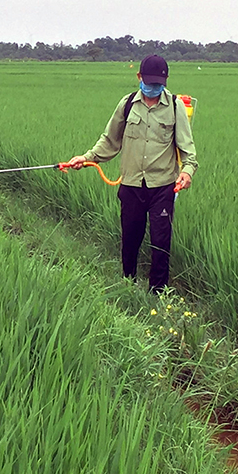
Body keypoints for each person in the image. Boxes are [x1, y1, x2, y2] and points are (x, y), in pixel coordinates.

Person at [67, 54, 198, 294]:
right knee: (130, 238)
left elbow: (187, 150)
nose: (153, 88)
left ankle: (158, 293)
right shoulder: (127, 104)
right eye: (149, 82)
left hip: (162, 186)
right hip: (131, 185)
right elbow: (109, 141)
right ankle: (128, 284)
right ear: (139, 77)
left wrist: (187, 173)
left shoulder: (175, 106)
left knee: (161, 242)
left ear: (166, 81)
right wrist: (85, 159)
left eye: (158, 84)